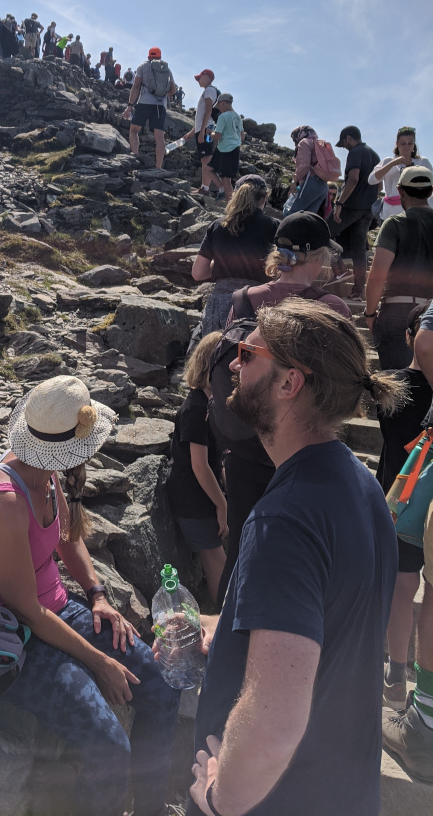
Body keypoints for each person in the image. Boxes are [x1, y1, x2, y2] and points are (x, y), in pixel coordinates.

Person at [182, 299, 404, 816]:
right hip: (342, 789)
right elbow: (333, 616)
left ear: (290, 384)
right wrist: (230, 625)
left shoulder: (282, 519)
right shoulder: (358, 481)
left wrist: (221, 796)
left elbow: (274, 724)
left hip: (280, 798)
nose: (233, 363)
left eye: (248, 352)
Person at [0, 376, 181, 816]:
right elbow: (24, 607)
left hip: (53, 610)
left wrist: (96, 594)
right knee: (107, 744)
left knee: (162, 683)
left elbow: (65, 537)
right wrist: (100, 662)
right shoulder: (3, 499)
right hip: (9, 633)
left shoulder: (43, 472)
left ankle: (150, 806)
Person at [214, 212, 353, 606]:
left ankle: (227, 629)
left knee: (242, 545)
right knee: (298, 548)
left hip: (242, 446)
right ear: (320, 255)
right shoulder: (331, 307)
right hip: (299, 450)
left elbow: (231, 370)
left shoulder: (243, 299)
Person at [376, 306, 433, 718]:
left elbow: (392, 435)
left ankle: (396, 675)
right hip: (421, 495)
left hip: (401, 493)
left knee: (401, 583)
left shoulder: (393, 383)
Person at [167, 332, 228, 604]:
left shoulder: (210, 403)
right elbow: (199, 465)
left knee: (219, 555)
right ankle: (227, 616)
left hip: (205, 494)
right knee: (215, 558)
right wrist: (222, 505)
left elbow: (216, 459)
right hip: (193, 498)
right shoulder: (195, 409)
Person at [364, 165, 433, 369]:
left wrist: (370, 314)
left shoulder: (394, 224)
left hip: (397, 314)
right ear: (430, 191)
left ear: (400, 190)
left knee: (397, 388)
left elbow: (377, 276)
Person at [192, 175, 278, 334]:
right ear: (264, 199)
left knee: (213, 353)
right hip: (259, 305)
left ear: (235, 196)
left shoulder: (217, 226)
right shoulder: (274, 226)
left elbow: (198, 273)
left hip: (219, 306)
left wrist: (220, 263)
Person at [327, 125, 380, 300]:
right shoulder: (375, 156)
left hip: (352, 207)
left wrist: (340, 203)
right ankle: (358, 291)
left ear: (348, 138)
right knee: (359, 250)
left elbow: (353, 178)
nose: (344, 148)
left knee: (322, 232)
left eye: (343, 144)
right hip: (368, 210)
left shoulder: (356, 152)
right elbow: (379, 185)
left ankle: (341, 270)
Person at [124, 46, 177, 170]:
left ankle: (135, 157)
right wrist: (162, 95)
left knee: (134, 130)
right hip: (160, 106)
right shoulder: (167, 69)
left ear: (149, 56)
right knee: (159, 136)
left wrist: (130, 106)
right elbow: (173, 90)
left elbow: (136, 86)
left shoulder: (142, 67)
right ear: (160, 57)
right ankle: (158, 167)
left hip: (144, 102)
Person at [369, 127, 433, 222]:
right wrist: (393, 163)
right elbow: (371, 180)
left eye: (410, 143)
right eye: (403, 143)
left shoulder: (423, 162)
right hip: (390, 215)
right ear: (397, 144)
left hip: (417, 215)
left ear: (414, 144)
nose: (406, 147)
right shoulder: (388, 161)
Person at [183, 70, 217, 196]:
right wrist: (193, 132)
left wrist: (202, 131)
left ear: (207, 77)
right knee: (205, 158)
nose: (198, 80)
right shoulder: (208, 91)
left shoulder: (209, 90)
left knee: (207, 158)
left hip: (206, 129)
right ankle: (205, 187)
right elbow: (201, 115)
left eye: (199, 78)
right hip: (204, 128)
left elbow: (208, 111)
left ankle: (205, 188)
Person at [285, 125, 330, 215]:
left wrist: (294, 181)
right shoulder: (319, 144)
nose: (294, 141)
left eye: (294, 138)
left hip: (311, 182)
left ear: (300, 134)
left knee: (289, 213)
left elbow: (304, 166)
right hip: (323, 186)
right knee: (306, 218)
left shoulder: (304, 143)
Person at [208, 94, 244, 201]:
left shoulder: (222, 117)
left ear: (222, 103)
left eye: (219, 106)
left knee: (225, 178)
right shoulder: (238, 117)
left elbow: (217, 136)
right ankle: (222, 189)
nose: (219, 109)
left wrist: (210, 133)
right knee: (211, 169)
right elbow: (242, 136)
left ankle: (230, 205)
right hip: (233, 149)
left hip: (225, 149)